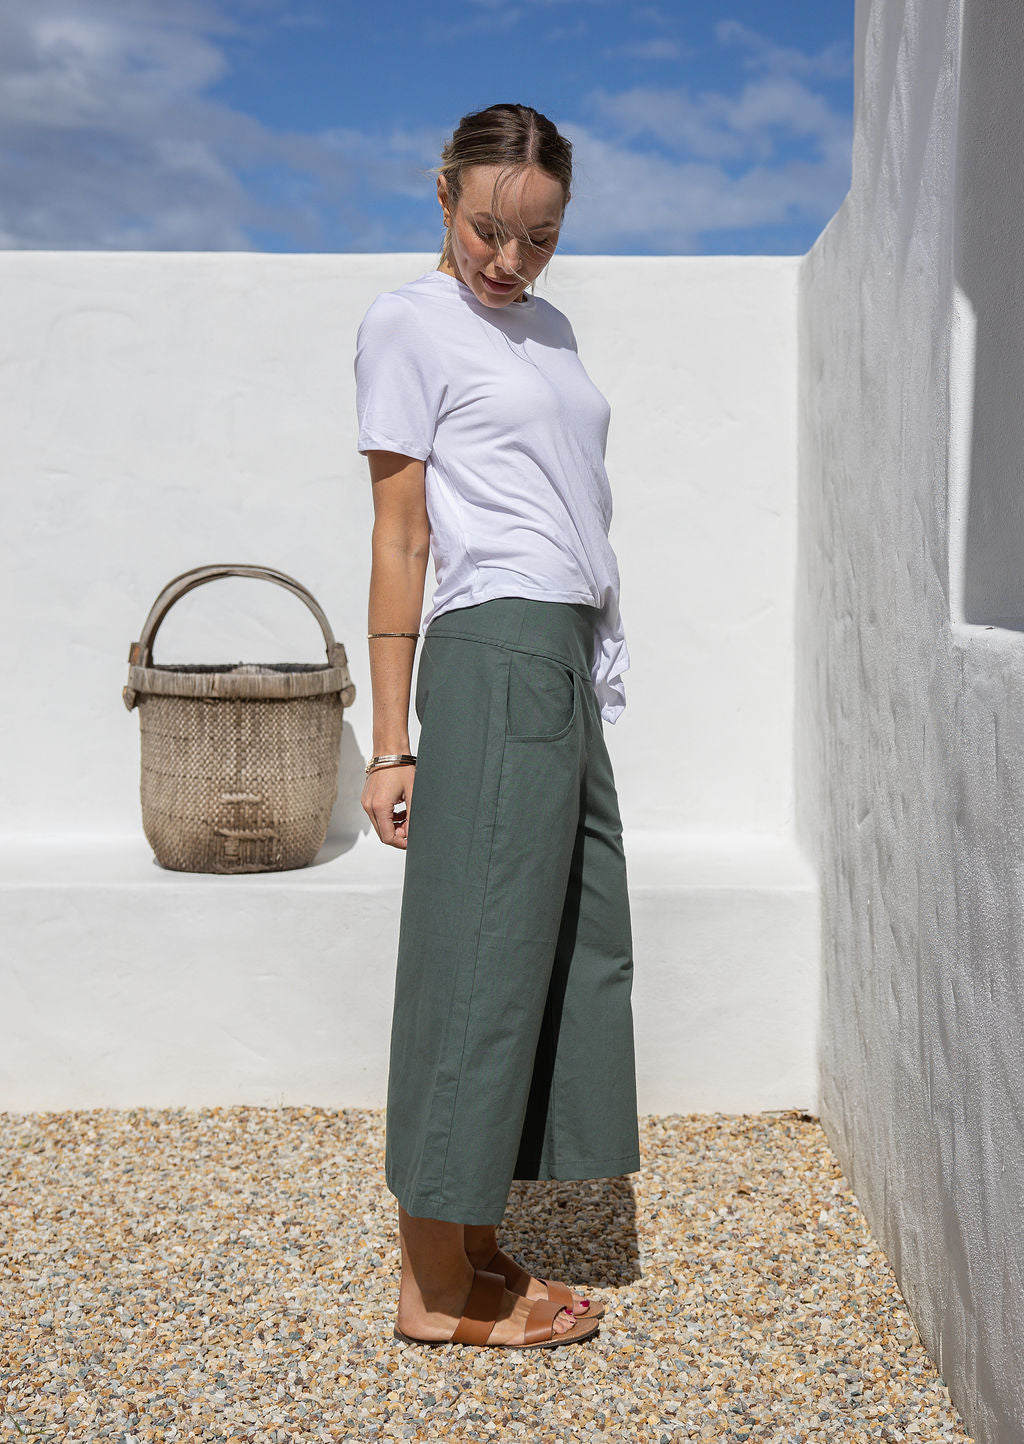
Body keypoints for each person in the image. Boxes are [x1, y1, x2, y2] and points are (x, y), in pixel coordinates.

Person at [355, 102, 640, 1351]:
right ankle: (431, 1288)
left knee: (556, 943)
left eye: (537, 238)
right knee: (477, 953)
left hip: (561, 656)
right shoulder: (410, 323)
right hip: (493, 651)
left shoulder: (547, 330)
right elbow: (402, 533)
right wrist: (389, 740)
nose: (507, 262)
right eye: (488, 229)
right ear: (442, 196)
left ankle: (473, 1243)